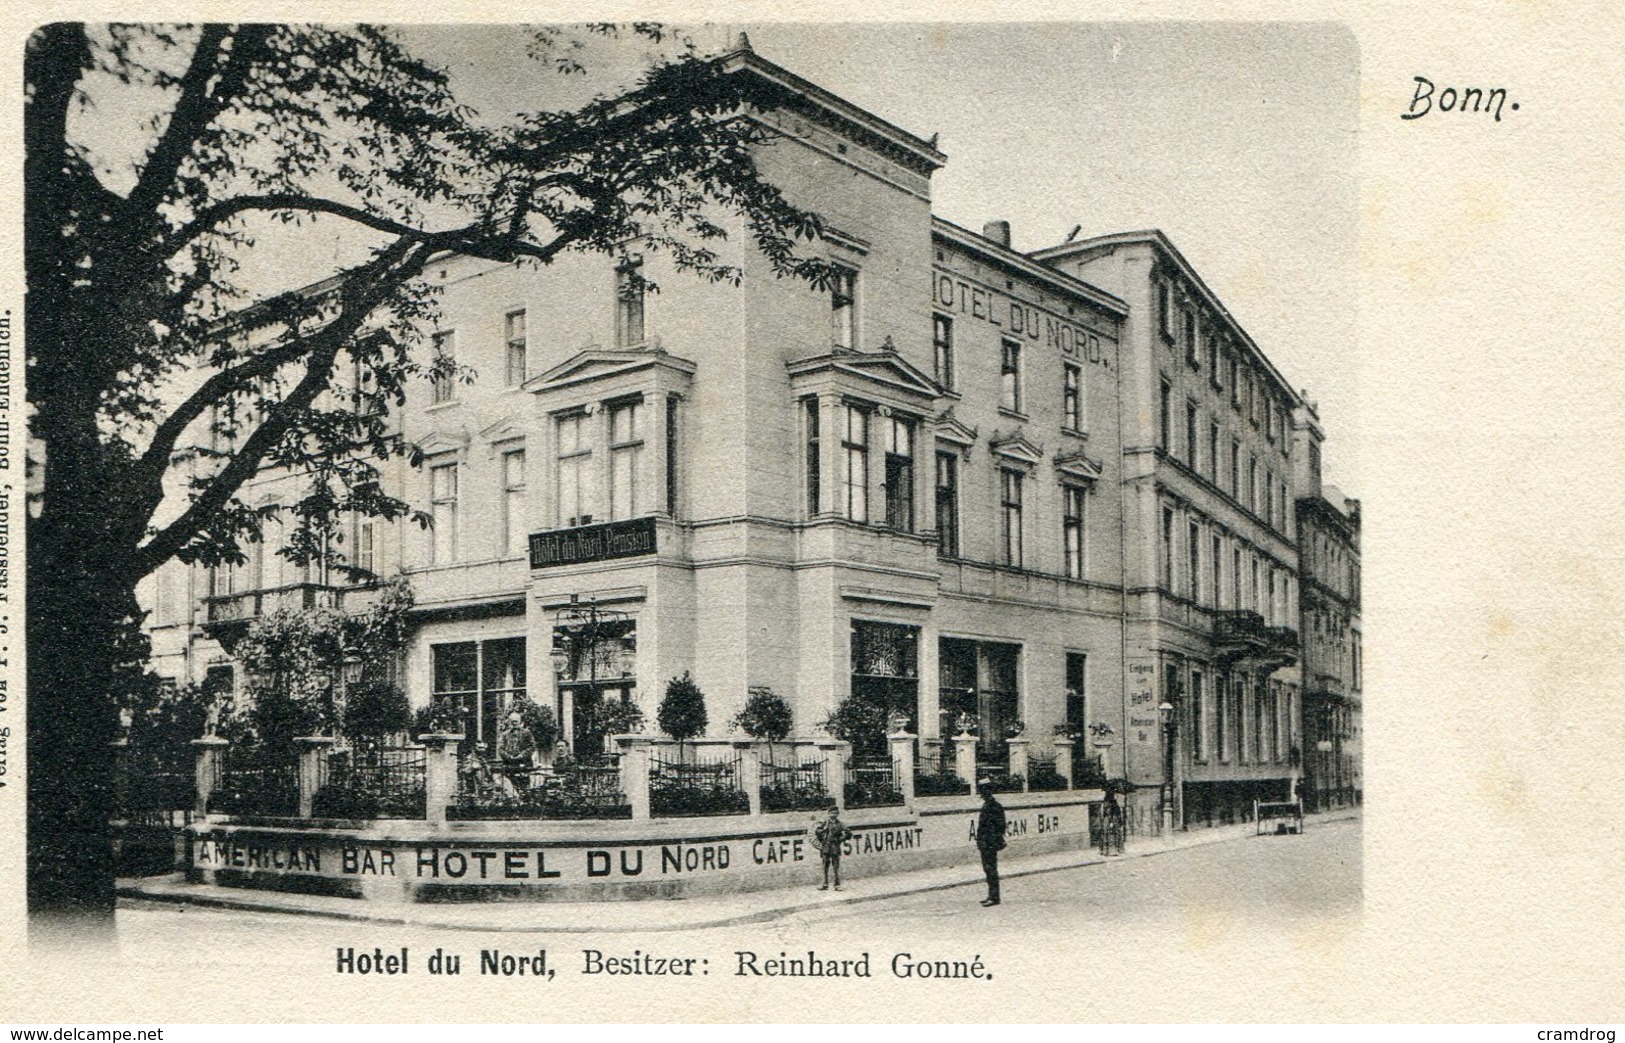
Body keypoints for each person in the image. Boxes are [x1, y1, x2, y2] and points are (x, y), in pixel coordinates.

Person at [975, 781, 1007, 907]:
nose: (982, 794)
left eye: (983, 791)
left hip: (990, 843)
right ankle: (992, 895)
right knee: (988, 869)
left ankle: (994, 897)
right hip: (985, 843)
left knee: (991, 869)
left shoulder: (994, 806)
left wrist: (992, 839)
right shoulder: (988, 805)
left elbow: (1001, 825)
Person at [813, 805, 852, 891]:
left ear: (838, 814)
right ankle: (824, 884)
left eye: (835, 813)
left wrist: (840, 839)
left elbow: (848, 833)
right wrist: (823, 837)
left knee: (836, 867)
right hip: (826, 847)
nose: (833, 815)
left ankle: (837, 885)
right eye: (831, 813)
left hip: (835, 847)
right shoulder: (825, 823)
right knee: (824, 867)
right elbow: (817, 831)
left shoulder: (840, 824)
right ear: (828, 814)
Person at [1101, 789, 1126, 856]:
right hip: (1111, 820)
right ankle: (1111, 851)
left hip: (1114, 820)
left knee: (1115, 834)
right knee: (1111, 835)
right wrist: (1111, 821)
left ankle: (1117, 850)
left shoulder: (1113, 802)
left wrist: (1120, 821)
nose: (1116, 795)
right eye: (1114, 793)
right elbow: (1108, 813)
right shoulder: (1108, 803)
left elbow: (1118, 813)